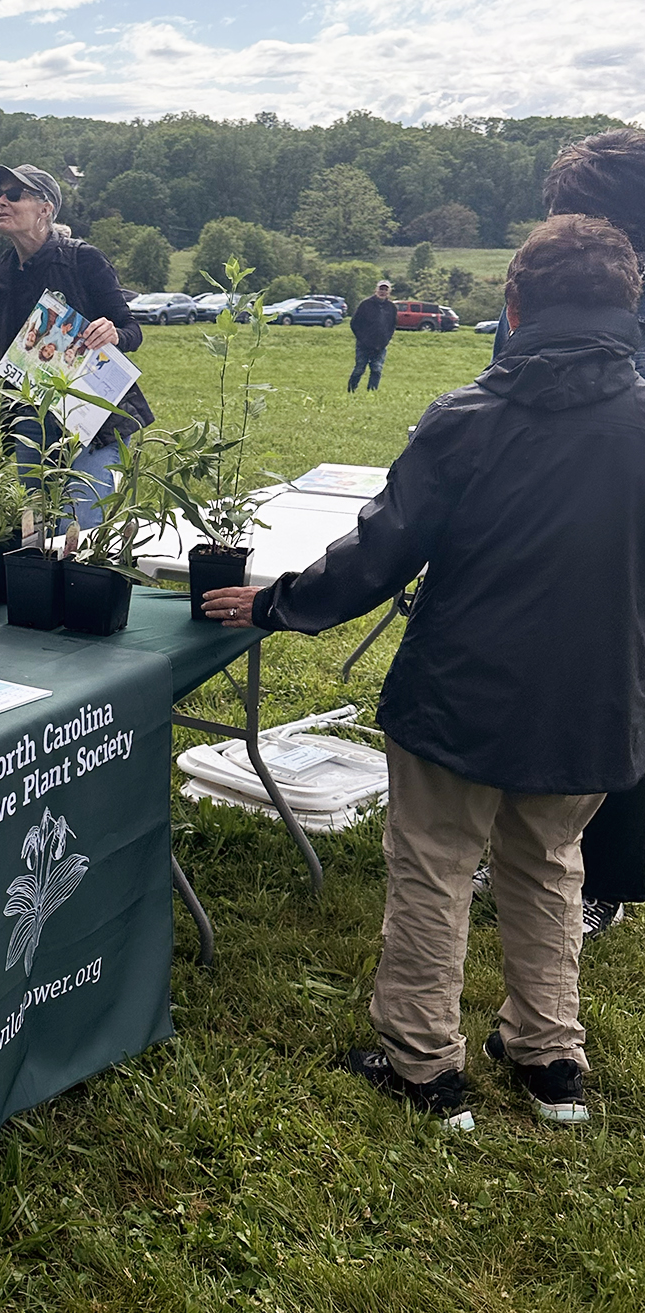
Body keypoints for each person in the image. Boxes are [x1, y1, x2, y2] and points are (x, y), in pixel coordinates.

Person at [203, 215, 645, 1128]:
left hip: (461, 692)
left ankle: (421, 1062)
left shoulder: (468, 419)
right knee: (553, 866)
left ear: (514, 306)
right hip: (594, 701)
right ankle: (549, 1055)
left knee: (436, 869)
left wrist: (281, 602)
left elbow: (379, 552)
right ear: (627, 306)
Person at [492, 127, 645, 939]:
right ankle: (527, 845)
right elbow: (501, 375)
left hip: (616, 533)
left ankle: (602, 875)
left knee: (614, 700)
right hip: (538, 523)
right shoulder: (546, 284)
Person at [0, 164, 153, 529]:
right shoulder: (0, 279)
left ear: (46, 209)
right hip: (33, 421)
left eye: (14, 195)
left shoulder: (82, 259)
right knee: (36, 533)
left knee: (79, 527)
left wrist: (114, 333)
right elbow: (15, 358)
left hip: (92, 418)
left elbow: (132, 329)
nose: (1, 203)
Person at [347, 280, 396, 392]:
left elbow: (392, 325)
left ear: (389, 292)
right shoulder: (365, 304)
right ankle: (351, 390)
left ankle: (372, 392)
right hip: (363, 345)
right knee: (359, 369)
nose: (382, 292)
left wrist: (386, 339)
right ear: (376, 290)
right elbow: (354, 323)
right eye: (381, 289)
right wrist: (362, 339)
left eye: (385, 289)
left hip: (381, 345)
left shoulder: (391, 307)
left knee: (376, 370)